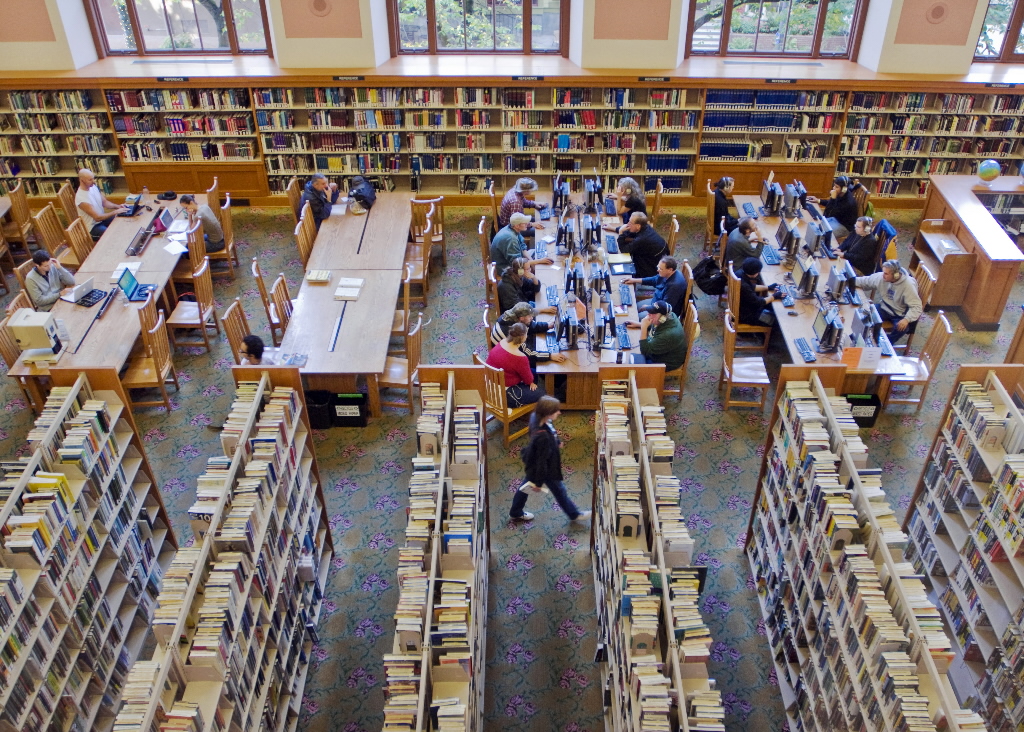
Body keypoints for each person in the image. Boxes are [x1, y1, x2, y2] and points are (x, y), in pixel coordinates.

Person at [509, 395, 591, 523]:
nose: (559, 412)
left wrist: (556, 442)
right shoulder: (543, 438)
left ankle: (515, 511)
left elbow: (550, 432)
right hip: (546, 469)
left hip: (534, 463)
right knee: (559, 490)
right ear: (548, 413)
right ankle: (574, 514)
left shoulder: (536, 417)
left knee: (525, 487)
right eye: (556, 410)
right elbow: (542, 462)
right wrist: (538, 483)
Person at [854, 259, 922, 344]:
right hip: (884, 307)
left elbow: (917, 307)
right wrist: (850, 280)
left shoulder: (908, 285)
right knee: (864, 313)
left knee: (902, 329)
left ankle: (886, 344)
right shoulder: (882, 277)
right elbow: (865, 281)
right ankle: (862, 337)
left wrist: (906, 319)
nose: (883, 275)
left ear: (896, 275)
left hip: (899, 314)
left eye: (886, 274)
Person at [486, 322, 546, 407]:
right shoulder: (520, 357)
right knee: (542, 393)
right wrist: (531, 383)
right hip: (503, 393)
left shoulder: (502, 342)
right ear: (522, 337)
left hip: (489, 383)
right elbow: (528, 379)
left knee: (533, 372)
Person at [491, 303, 566, 367]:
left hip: (505, 349)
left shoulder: (512, 316)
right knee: (540, 367)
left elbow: (530, 325)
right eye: (529, 316)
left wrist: (547, 325)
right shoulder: (514, 331)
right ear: (522, 318)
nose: (532, 318)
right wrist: (550, 356)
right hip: (505, 358)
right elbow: (528, 353)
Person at [627, 300, 688, 372]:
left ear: (662, 318)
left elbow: (644, 351)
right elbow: (655, 327)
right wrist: (639, 324)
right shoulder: (670, 316)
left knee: (632, 366)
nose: (648, 314)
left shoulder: (667, 335)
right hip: (660, 350)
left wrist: (644, 327)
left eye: (653, 313)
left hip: (666, 362)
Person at [623, 256, 688, 316]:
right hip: (657, 301)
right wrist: (634, 280)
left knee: (635, 316)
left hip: (663, 314)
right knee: (634, 307)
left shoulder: (674, 287)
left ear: (670, 270)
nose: (658, 270)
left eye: (661, 269)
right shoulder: (667, 273)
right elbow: (654, 280)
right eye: (658, 267)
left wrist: (648, 308)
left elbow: (664, 308)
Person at [76, 168, 126, 240]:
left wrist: (118, 207)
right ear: (82, 180)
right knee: (111, 235)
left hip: (102, 219)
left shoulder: (93, 187)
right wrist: (114, 212)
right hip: (93, 227)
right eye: (90, 180)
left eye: (93, 178)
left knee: (121, 219)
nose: (93, 181)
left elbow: (104, 202)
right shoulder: (82, 199)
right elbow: (97, 218)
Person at [616, 212, 667, 279]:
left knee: (630, 258)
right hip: (659, 256)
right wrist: (615, 229)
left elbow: (624, 250)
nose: (628, 224)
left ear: (638, 226)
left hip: (653, 267)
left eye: (630, 222)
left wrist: (620, 233)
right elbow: (631, 232)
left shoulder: (641, 239)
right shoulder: (645, 227)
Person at [807, 176, 858, 241]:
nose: (834, 188)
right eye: (834, 186)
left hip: (844, 227)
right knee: (815, 226)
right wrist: (818, 201)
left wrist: (833, 198)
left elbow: (828, 214)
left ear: (844, 189)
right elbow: (833, 205)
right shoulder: (842, 194)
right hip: (837, 219)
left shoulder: (847, 203)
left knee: (820, 235)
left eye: (837, 187)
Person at [737, 258, 777, 327]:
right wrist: (774, 296)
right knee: (775, 322)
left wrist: (768, 287)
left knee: (770, 305)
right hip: (746, 315)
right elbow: (758, 302)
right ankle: (762, 333)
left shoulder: (739, 273)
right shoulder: (745, 287)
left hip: (742, 307)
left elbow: (752, 287)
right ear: (756, 273)